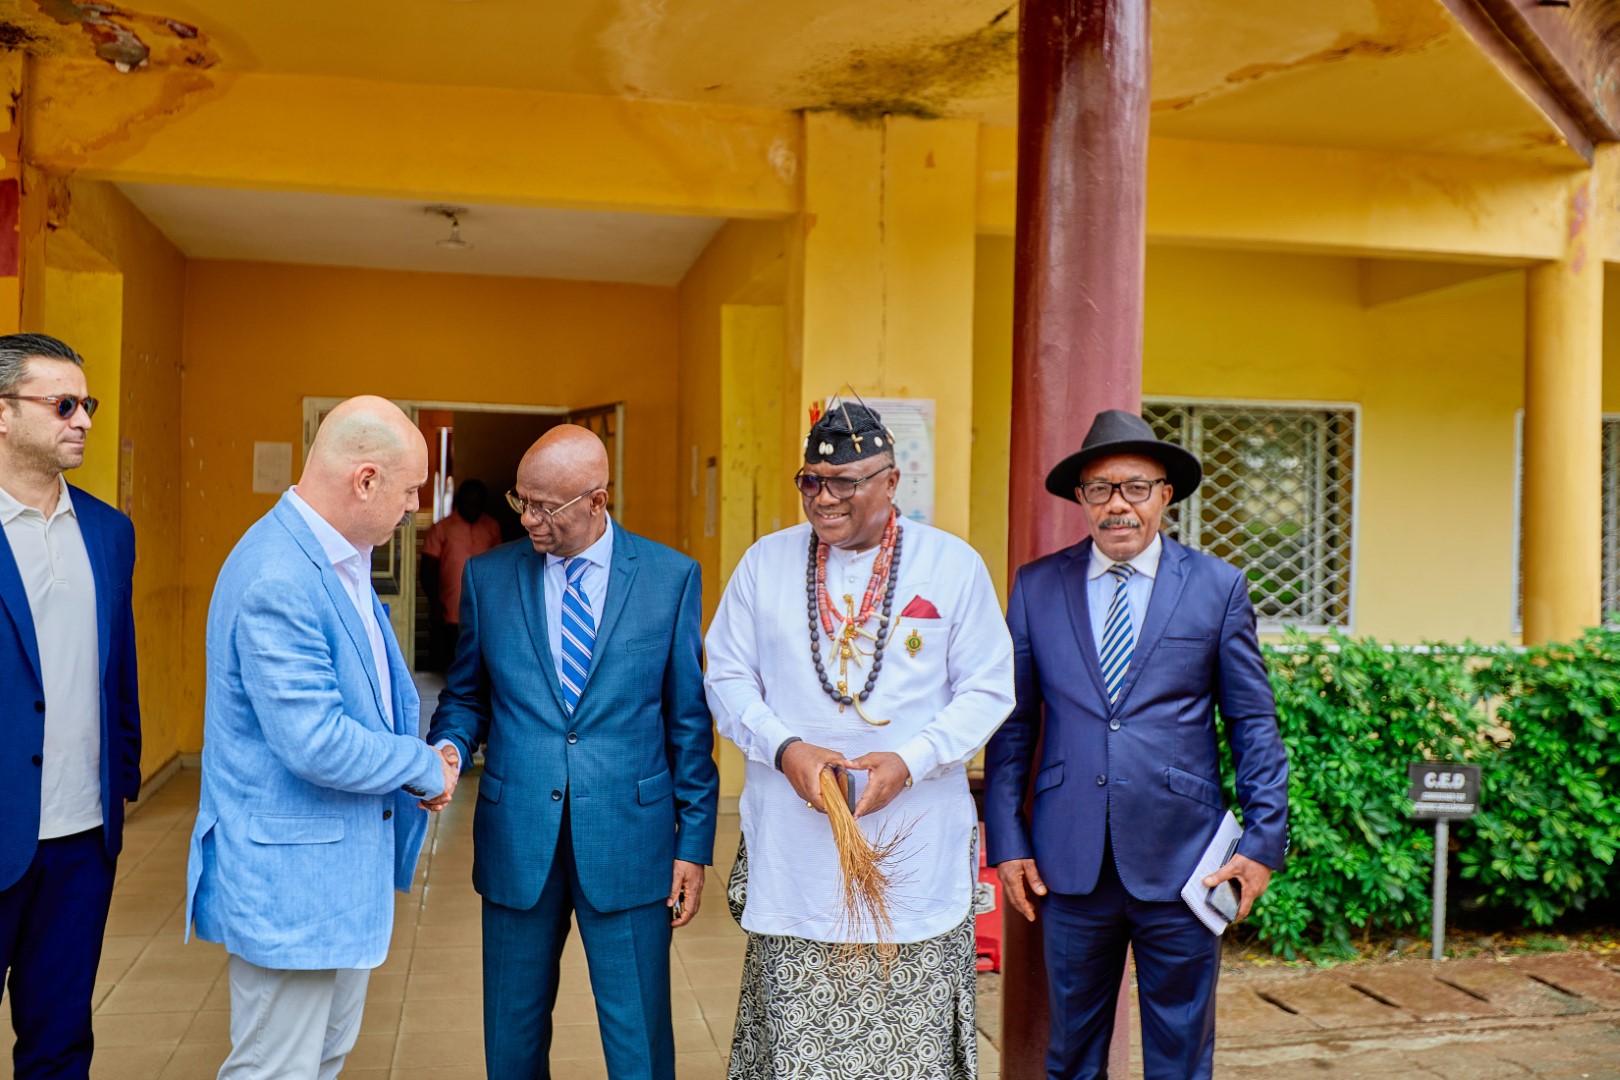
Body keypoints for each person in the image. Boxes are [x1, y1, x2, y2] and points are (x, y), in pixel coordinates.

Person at [704, 399, 1014, 1080]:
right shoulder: (764, 563)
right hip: (795, 850)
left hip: (914, 850)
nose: (824, 498)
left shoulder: (952, 565)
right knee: (797, 1047)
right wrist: (784, 749)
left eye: (844, 483)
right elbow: (725, 676)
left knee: (911, 1051)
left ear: (891, 481)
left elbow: (990, 689)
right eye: (811, 481)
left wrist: (911, 760)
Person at [982, 409, 1290, 1080]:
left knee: (1180, 1058)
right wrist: (1006, 841)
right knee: (1071, 1057)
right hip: (1068, 861)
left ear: (1164, 495)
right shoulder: (1037, 587)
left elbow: (1253, 724)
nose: (1118, 504)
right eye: (1100, 489)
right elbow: (1014, 725)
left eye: (1136, 488)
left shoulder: (1217, 587)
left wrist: (1264, 843)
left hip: (1187, 861)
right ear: (1082, 498)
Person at [428, 424, 717, 1080]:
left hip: (631, 841)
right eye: (520, 501)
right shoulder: (488, 577)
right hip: (517, 839)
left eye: (545, 507)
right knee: (512, 1045)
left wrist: (693, 845)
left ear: (596, 501)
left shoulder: (669, 578)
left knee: (640, 1047)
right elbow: (467, 695)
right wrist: (447, 746)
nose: (527, 519)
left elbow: (687, 723)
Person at [185, 395, 458, 1080]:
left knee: (322, 1059)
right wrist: (422, 764)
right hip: (292, 880)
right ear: (365, 480)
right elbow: (315, 740)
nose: (414, 507)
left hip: (335, 875)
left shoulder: (339, 558)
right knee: (277, 1068)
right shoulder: (279, 575)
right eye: (409, 490)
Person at [0, 333, 141, 1077]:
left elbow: (120, 670)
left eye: (87, 404)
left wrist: (123, 780)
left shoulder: (110, 532)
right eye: (62, 405)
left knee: (59, 1046)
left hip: (82, 840)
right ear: (3, 412)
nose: (83, 419)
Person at [419, 478, 501, 671]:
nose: (473, 508)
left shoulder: (492, 527)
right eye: (468, 503)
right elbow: (427, 571)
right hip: (450, 611)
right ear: (459, 501)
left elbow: (499, 567)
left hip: (484, 611)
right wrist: (436, 604)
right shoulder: (442, 528)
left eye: (477, 504)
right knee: (451, 663)